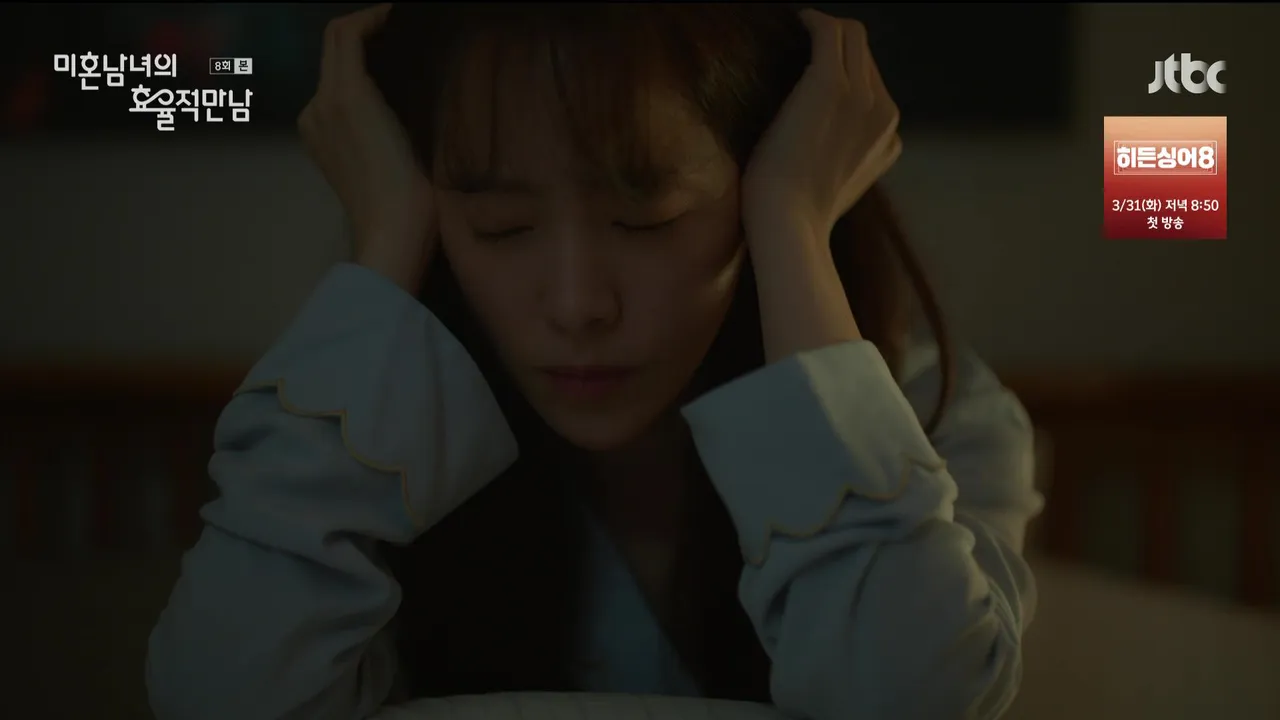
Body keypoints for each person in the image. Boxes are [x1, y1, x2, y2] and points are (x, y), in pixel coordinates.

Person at [146, 3, 1042, 720]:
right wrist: (388, 241)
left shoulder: (932, 412)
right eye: (501, 227)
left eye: (646, 221)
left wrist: (795, 225)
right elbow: (225, 697)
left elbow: (909, 700)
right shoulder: (368, 428)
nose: (577, 305)